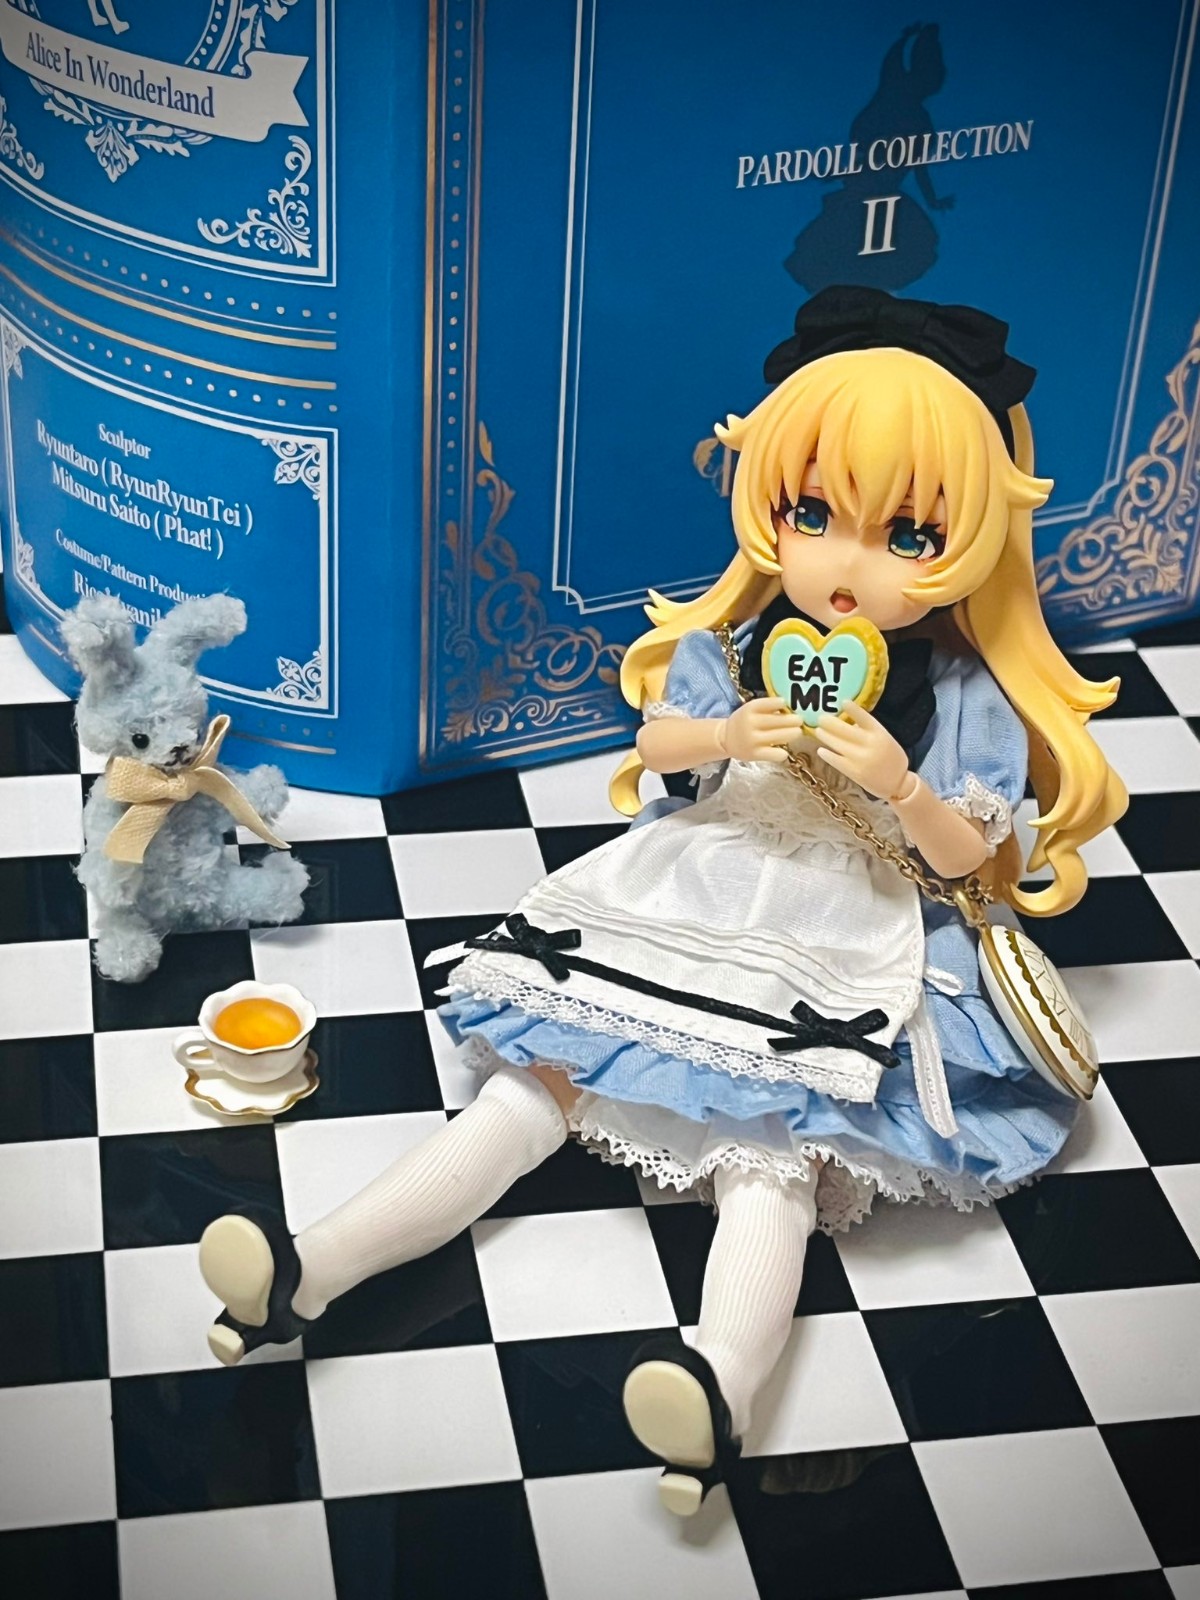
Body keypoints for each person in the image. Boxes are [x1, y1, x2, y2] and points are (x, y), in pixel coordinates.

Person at [198, 286, 1126, 1517]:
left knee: (770, 1144)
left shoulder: (957, 691)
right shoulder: (737, 644)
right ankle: (306, 1269)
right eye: (810, 513)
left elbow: (966, 858)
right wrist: (728, 731)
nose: (844, 563)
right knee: (532, 1087)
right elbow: (659, 747)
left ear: (971, 544)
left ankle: (720, 1383)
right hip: (697, 879)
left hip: (840, 925)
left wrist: (901, 784)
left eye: (907, 534)